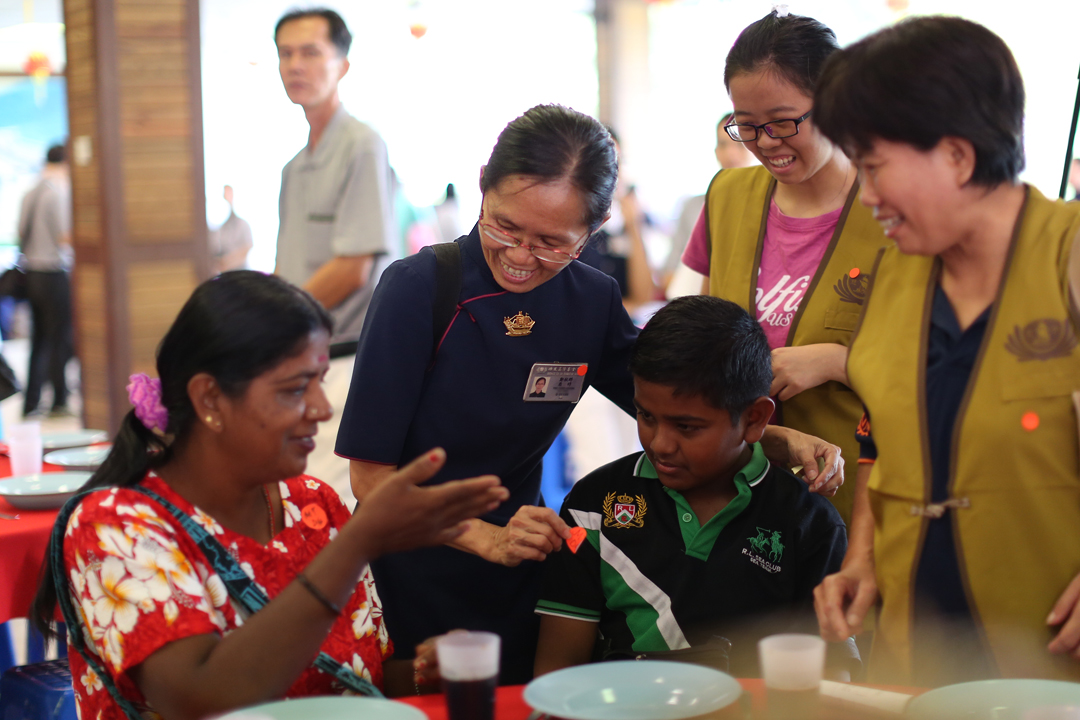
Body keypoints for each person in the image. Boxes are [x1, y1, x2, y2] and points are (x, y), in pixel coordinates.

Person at [336, 104, 845, 685]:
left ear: (596, 226)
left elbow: (671, 404)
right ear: (483, 184)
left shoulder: (590, 300)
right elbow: (370, 480)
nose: (521, 257)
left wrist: (771, 436)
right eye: (503, 226)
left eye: (552, 243)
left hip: (524, 560)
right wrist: (486, 539)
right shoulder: (421, 287)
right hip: (408, 566)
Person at [29, 271, 507, 720]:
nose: (321, 409)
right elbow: (202, 701)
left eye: (319, 383)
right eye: (295, 389)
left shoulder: (314, 506)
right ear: (210, 399)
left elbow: (358, 679)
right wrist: (357, 544)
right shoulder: (117, 523)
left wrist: (425, 673)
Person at [810, 16, 1080, 685]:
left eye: (873, 168)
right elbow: (887, 435)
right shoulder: (896, 270)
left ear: (957, 156)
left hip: (1049, 652)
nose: (865, 196)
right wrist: (863, 557)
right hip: (919, 648)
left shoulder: (1067, 255)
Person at [532, 296, 856, 678]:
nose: (660, 444)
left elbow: (831, 678)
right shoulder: (594, 506)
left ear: (755, 418)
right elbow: (557, 673)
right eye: (645, 415)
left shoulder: (807, 523)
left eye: (687, 427)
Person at [680, 11, 889, 522]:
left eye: (783, 121)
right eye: (746, 125)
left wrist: (838, 361)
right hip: (738, 488)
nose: (766, 141)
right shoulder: (727, 195)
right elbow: (704, 335)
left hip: (858, 497)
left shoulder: (892, 209)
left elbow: (944, 362)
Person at [274, 7, 396, 499]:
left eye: (311, 52)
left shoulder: (362, 145)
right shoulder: (294, 166)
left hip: (345, 362)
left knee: (327, 506)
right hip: (298, 356)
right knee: (295, 502)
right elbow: (292, 269)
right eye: (285, 54)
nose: (295, 65)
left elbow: (352, 269)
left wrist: (271, 321)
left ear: (342, 64)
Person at [663, 111, 754, 295]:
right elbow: (667, 277)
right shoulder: (694, 207)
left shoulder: (770, 207)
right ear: (716, 152)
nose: (731, 153)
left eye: (740, 144)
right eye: (723, 144)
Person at [17, 143, 74, 418]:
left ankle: (31, 401)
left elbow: (20, 232)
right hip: (53, 272)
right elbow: (64, 237)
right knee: (59, 338)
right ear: (64, 162)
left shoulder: (30, 192)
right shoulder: (57, 193)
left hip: (32, 274)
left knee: (38, 340)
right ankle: (59, 400)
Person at [210, 185, 253, 274]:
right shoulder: (215, 227)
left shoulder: (242, 224)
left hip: (240, 272)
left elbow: (246, 248)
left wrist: (228, 261)